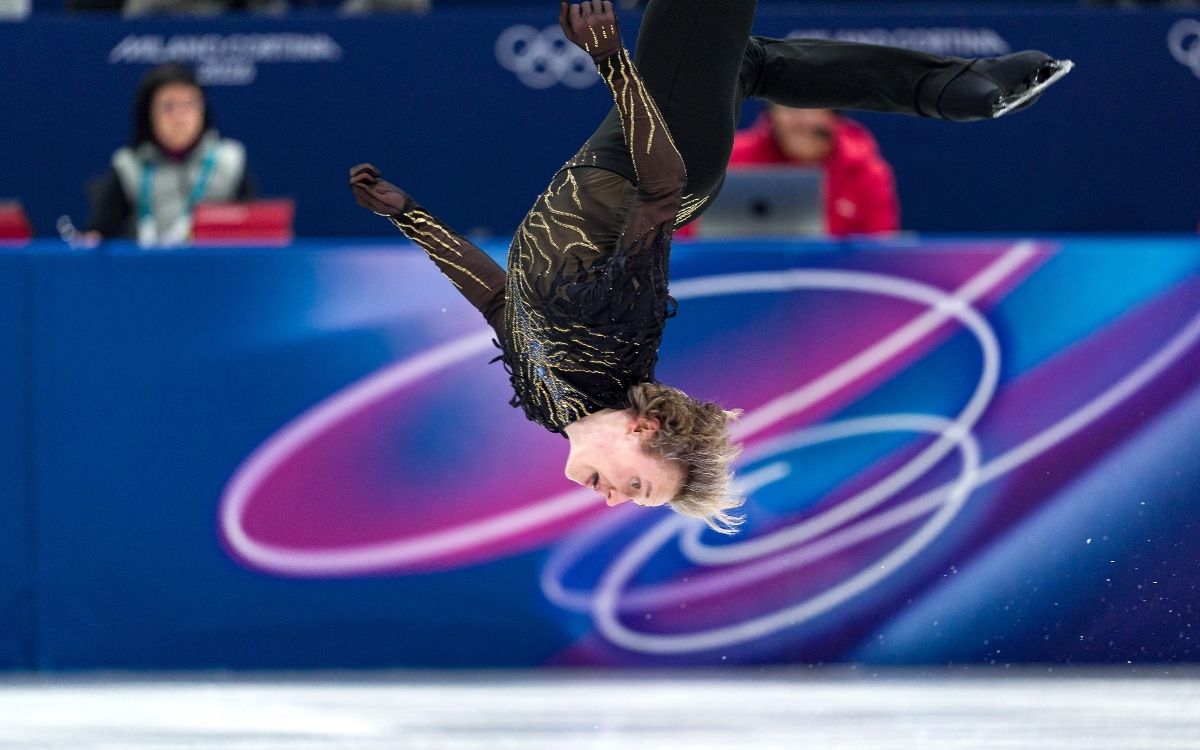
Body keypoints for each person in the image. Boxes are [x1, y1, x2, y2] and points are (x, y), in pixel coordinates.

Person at [349, 0, 1072, 532]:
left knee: (747, 61)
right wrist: (611, 62)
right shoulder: (616, 340)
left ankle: (959, 89)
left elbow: (497, 301)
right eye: (638, 489)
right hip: (670, 154)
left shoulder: (551, 407)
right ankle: (955, 91)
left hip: (645, 145)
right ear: (642, 434)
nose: (612, 499)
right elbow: (660, 192)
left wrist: (407, 215)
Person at [85, 63, 256, 245]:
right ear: (148, 114)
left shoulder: (230, 161)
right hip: (147, 261)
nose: (180, 117)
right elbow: (99, 235)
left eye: (190, 105)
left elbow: (254, 235)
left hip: (217, 262)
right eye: (168, 107)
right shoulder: (128, 165)